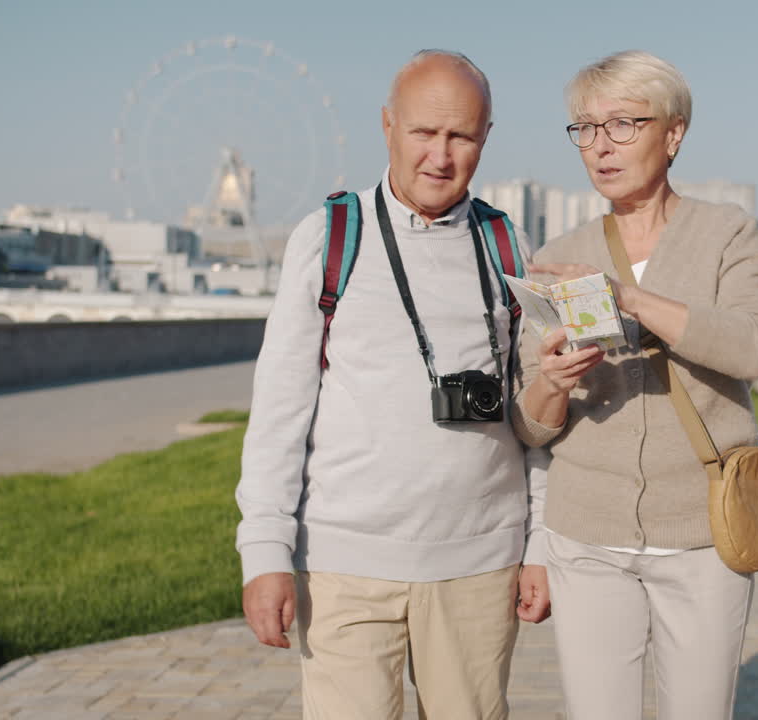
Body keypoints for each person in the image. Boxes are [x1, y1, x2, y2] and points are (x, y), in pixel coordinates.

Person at [235, 49, 548, 720]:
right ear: (387, 126)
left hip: (480, 565)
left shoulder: (507, 244)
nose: (440, 154)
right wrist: (263, 550)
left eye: (461, 135)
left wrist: (541, 544)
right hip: (345, 566)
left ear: (485, 138)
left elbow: (537, 416)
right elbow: (279, 411)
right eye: (423, 132)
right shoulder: (328, 239)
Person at [511, 50, 758, 719]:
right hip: (586, 537)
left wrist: (629, 301)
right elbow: (533, 424)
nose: (601, 146)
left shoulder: (727, 233)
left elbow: (755, 345)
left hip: (701, 535)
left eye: (624, 124)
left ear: (674, 133)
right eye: (585, 128)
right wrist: (551, 380)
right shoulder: (556, 256)